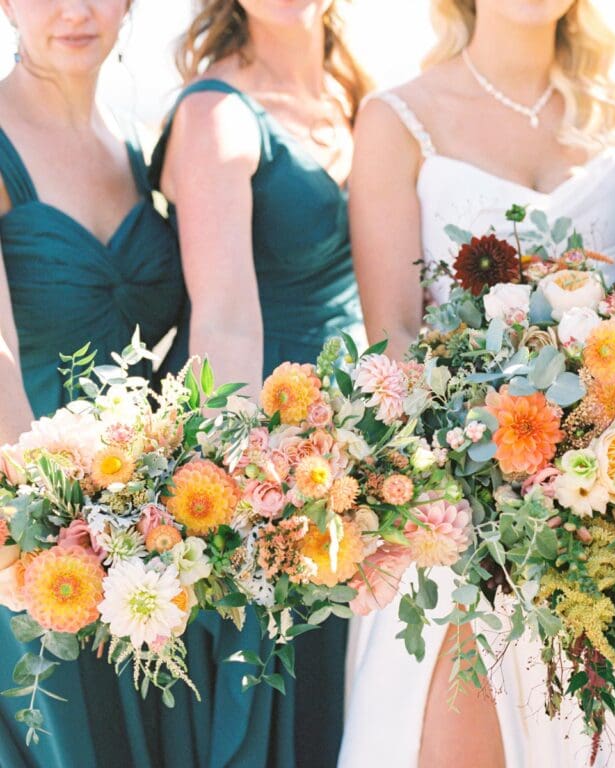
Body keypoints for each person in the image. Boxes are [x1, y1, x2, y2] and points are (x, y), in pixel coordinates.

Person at [343, 1, 615, 765]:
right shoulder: (396, 118)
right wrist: (485, 470)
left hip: (593, 513)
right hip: (451, 508)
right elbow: (396, 339)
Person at [149, 1, 369, 765]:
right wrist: (241, 497)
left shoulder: (358, 97)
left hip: (362, 455)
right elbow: (224, 325)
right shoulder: (217, 113)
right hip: (270, 457)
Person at [0, 0, 184, 765]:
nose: (75, 11)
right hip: (37, 523)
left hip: (144, 517)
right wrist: (43, 524)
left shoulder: (139, 143)